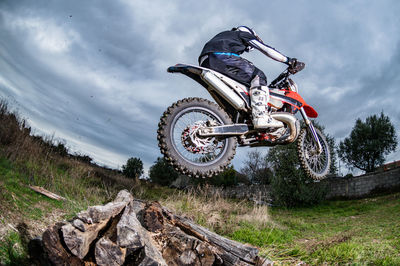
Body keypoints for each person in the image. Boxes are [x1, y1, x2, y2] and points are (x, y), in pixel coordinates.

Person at [198, 26, 303, 129]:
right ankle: (260, 115)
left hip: (205, 62)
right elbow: (265, 49)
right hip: (222, 57)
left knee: (237, 93)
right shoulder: (242, 34)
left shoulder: (223, 35)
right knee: (258, 76)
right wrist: (288, 60)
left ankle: (223, 124)